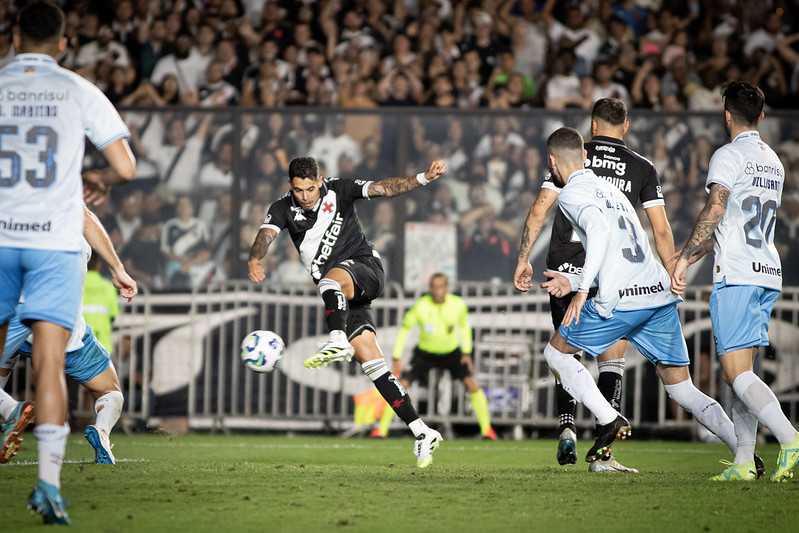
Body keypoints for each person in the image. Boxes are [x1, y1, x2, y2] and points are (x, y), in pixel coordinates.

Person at [528, 127, 744, 472]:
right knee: (682, 389)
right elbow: (628, 243)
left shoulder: (570, 194)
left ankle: (608, 419)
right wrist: (574, 278)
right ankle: (745, 452)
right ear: (584, 157)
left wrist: (581, 291)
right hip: (656, 293)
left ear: (552, 162)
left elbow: (598, 233)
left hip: (624, 298)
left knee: (555, 354)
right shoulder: (611, 190)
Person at [0, 3, 136, 524]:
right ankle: (49, 488)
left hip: (4, 238)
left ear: (14, 36)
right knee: (50, 368)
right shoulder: (78, 89)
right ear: (63, 44)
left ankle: (10, 414)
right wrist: (102, 178)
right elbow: (125, 165)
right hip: (54, 245)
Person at [248, 157, 447, 468]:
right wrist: (254, 259)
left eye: (311, 188)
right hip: (344, 295)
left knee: (329, 280)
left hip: (366, 269)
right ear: (291, 186)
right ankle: (422, 431)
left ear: (320, 180)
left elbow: (383, 188)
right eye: (299, 190)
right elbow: (266, 234)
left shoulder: (340, 190)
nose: (306, 196)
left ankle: (337, 337)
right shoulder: (283, 208)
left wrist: (422, 178)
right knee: (374, 367)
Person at [514, 98, 675, 473]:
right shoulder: (642, 167)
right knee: (611, 359)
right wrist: (671, 272)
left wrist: (523, 258)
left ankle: (567, 428)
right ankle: (604, 453)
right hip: (612, 274)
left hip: (564, 267)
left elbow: (539, 209)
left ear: (592, 125)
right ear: (627, 126)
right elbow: (661, 229)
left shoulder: (574, 156)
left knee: (564, 352)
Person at [671, 82, 799, 482]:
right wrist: (690, 255)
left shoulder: (728, 155)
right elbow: (732, 223)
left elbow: (716, 207)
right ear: (761, 116)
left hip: (739, 275)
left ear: (727, 115)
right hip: (766, 271)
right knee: (741, 371)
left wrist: (684, 255)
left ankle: (789, 436)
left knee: (734, 373)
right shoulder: (773, 160)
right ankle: (744, 462)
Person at [1, 207, 136, 467]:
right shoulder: (74, 227)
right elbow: (86, 217)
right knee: (111, 391)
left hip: (17, 313)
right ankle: (102, 432)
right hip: (67, 325)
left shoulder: (15, 206)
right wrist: (118, 269)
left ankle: (10, 410)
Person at [372, 273, 497, 440]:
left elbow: (465, 328)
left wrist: (467, 353)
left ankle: (487, 430)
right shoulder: (421, 306)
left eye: (440, 286)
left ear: (447, 288)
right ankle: (382, 430)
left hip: (451, 353)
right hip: (425, 354)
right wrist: (396, 356)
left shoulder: (458, 305)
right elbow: (405, 329)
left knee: (471, 385)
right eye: (433, 286)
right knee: (399, 386)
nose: (436, 290)